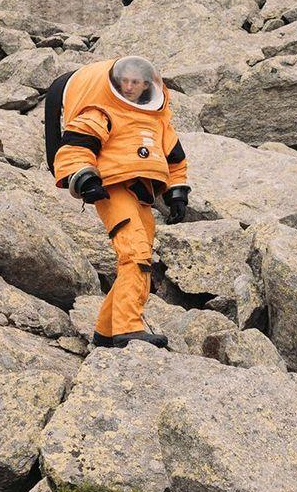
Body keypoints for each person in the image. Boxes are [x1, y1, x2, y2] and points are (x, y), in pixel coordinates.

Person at [46, 56, 190, 349]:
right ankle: (128, 327)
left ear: (147, 85)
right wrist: (85, 179)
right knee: (134, 254)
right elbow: (75, 146)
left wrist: (177, 192)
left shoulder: (158, 121)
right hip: (112, 189)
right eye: (124, 81)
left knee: (141, 259)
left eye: (135, 82)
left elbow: (175, 160)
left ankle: (106, 331)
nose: (129, 87)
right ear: (114, 82)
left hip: (143, 194)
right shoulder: (103, 113)